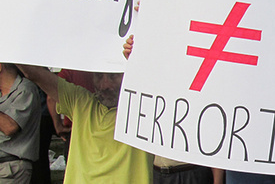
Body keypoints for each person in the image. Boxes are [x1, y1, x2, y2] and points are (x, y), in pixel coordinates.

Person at [16, 64, 154, 183]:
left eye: (113, 76)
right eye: (99, 76)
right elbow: (31, 72)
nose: (105, 85)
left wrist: (137, 59)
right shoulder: (80, 102)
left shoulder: (144, 109)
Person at [124, 35, 224, 184]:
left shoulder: (200, 80)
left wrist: (218, 180)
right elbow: (144, 81)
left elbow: (214, 131)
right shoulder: (159, 81)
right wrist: (134, 57)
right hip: (161, 172)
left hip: (192, 170)